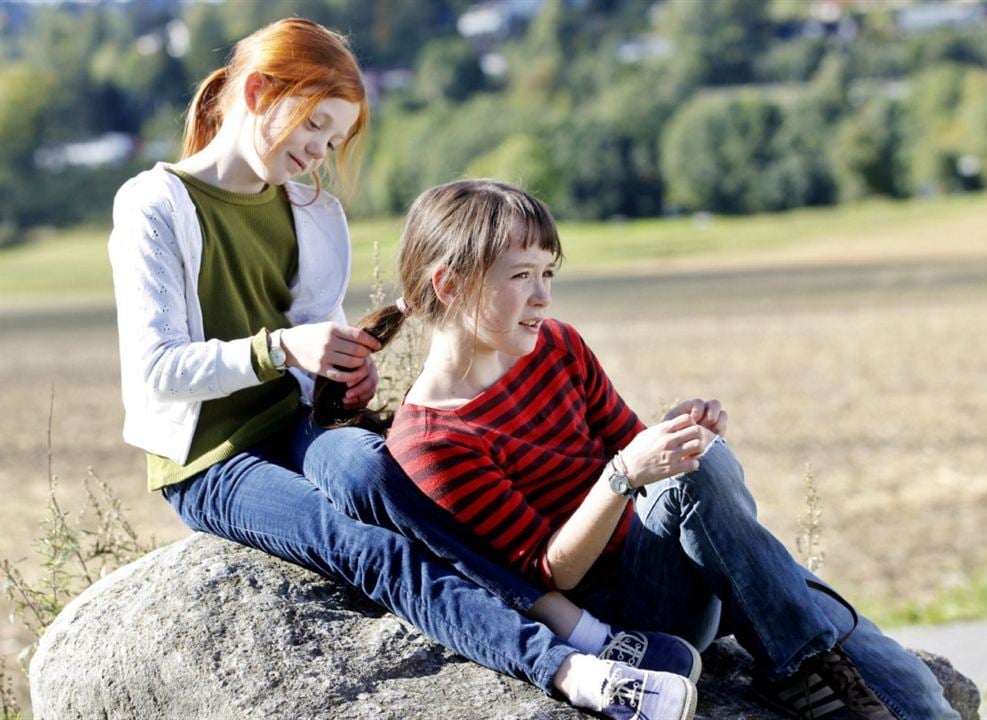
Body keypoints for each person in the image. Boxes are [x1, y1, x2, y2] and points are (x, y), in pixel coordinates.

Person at [108, 18, 701, 720]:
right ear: (260, 92)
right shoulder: (154, 205)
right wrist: (280, 349)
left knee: (371, 469)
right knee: (365, 550)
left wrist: (340, 379)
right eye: (314, 126)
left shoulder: (313, 213)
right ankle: (577, 665)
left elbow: (309, 358)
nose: (319, 152)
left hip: (295, 424)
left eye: (334, 140)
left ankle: (566, 619)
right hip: (212, 462)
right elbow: (156, 370)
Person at [376, 178, 962, 720]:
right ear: (449, 285)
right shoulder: (432, 442)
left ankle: (802, 657)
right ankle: (797, 667)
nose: (543, 297)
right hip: (629, 619)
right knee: (693, 474)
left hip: (695, 566)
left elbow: (632, 448)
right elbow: (547, 575)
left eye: (548, 273)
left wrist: (677, 432)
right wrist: (624, 476)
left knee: (915, 695)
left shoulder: (558, 346)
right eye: (521, 276)